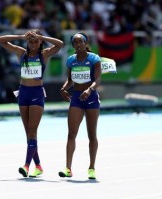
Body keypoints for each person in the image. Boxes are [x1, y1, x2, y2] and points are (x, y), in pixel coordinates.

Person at [0, 29, 64, 177]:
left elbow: (60, 44)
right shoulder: (21, 53)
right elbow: (1, 40)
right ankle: (38, 165)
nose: (33, 44)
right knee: (28, 133)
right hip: (23, 94)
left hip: (36, 94)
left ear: (40, 41)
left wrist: (41, 36)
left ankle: (27, 165)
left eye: (36, 41)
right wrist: (21, 36)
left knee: (33, 131)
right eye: (31, 41)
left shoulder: (44, 54)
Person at [58, 32, 101, 180]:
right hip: (76, 98)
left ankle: (91, 168)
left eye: (80, 42)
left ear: (85, 43)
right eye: (75, 43)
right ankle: (68, 168)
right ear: (73, 46)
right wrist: (64, 88)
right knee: (71, 133)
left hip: (91, 97)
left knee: (92, 135)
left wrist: (89, 90)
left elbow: (97, 80)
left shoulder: (94, 58)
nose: (78, 44)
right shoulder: (71, 60)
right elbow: (69, 80)